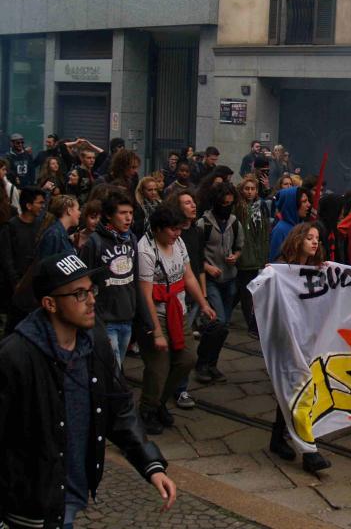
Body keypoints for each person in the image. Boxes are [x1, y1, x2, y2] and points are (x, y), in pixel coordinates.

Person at [0, 251, 176, 528]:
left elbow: (119, 407)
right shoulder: (16, 356)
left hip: (71, 495)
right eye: (79, 294)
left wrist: (150, 464)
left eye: (91, 289)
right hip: (30, 507)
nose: (92, 299)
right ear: (50, 304)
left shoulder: (94, 341)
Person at [138, 205, 216, 434]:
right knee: (158, 366)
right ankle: (148, 409)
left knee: (187, 358)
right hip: (157, 314)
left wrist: (203, 303)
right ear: (159, 229)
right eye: (172, 230)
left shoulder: (178, 243)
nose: (177, 234)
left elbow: (188, 275)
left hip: (178, 309)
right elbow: (145, 295)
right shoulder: (146, 250)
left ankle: (160, 400)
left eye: (178, 230)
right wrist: (156, 332)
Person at [267, 222, 332, 473]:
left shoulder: (319, 269)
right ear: (297, 240)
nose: (315, 242)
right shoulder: (280, 269)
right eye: (309, 238)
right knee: (300, 388)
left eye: (317, 238)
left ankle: (277, 438)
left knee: (295, 389)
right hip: (286, 339)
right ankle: (309, 453)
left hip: (308, 339)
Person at [79, 189, 141, 368]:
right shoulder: (95, 242)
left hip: (126, 317)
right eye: (122, 213)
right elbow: (84, 279)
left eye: (130, 213)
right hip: (105, 320)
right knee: (113, 369)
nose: (128, 218)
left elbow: (135, 278)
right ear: (108, 215)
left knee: (117, 365)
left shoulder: (132, 239)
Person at [196, 182, 243, 382]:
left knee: (223, 328)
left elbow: (240, 245)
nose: (227, 207)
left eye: (230, 204)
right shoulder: (203, 224)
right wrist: (207, 267)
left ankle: (211, 364)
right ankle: (202, 363)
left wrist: (236, 256)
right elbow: (195, 254)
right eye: (224, 203)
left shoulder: (234, 222)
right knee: (218, 322)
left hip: (230, 278)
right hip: (212, 280)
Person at [235, 175, 272, 339]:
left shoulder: (261, 206)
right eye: (247, 189)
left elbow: (264, 231)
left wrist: (264, 255)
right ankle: (251, 323)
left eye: (253, 189)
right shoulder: (238, 207)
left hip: (258, 254)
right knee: (246, 291)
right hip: (245, 254)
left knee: (249, 290)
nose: (250, 192)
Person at [0, 186, 46, 292]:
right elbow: (7, 259)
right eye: (40, 203)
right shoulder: (10, 227)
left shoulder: (41, 225)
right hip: (14, 287)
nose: (43, 206)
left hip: (35, 284)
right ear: (29, 206)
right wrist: (16, 283)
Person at [269, 186, 312, 262]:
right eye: (304, 201)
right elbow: (275, 264)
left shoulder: (304, 227)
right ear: (292, 204)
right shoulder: (279, 230)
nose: (309, 205)